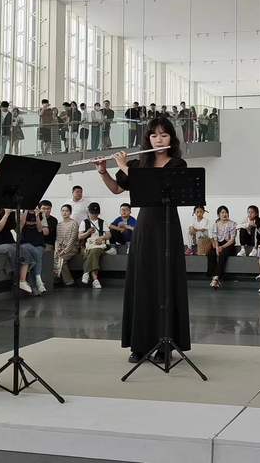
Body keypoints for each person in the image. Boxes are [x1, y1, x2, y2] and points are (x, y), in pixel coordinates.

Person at [94, 116, 191, 363]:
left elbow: (153, 186)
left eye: (164, 135)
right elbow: (117, 189)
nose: (159, 140)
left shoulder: (177, 164)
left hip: (166, 226)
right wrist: (104, 171)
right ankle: (139, 344)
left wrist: (125, 166)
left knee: (164, 283)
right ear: (148, 138)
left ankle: (165, 345)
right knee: (142, 282)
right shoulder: (139, 164)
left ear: (171, 138)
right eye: (154, 135)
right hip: (145, 227)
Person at [0, 208, 33, 294]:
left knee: (24, 251)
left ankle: (22, 280)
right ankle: (15, 274)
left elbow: (18, 230)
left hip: (9, 243)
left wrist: (22, 215)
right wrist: (6, 214)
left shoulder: (12, 218)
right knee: (12, 250)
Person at [79, 202, 109, 289]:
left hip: (99, 245)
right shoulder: (84, 222)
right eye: (92, 213)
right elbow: (80, 236)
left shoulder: (102, 222)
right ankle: (95, 280)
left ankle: (86, 272)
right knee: (92, 253)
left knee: (94, 252)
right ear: (89, 212)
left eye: (96, 213)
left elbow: (109, 234)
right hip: (86, 245)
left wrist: (102, 237)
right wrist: (88, 232)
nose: (94, 215)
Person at [207, 206, 237, 288]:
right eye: (222, 213)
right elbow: (215, 239)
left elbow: (232, 240)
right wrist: (217, 248)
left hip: (228, 245)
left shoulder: (232, 224)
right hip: (219, 245)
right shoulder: (215, 225)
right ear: (218, 215)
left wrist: (222, 247)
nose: (224, 214)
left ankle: (216, 278)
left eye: (226, 212)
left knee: (223, 254)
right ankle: (213, 276)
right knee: (210, 253)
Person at [19, 208, 47, 295]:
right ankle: (38, 280)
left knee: (36, 256)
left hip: (38, 243)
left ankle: (34, 287)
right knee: (36, 254)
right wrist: (26, 212)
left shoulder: (42, 214)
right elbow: (20, 227)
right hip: (25, 242)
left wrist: (37, 215)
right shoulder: (21, 212)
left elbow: (40, 229)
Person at [54, 204, 78, 287]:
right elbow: (57, 239)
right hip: (61, 247)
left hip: (72, 248)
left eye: (67, 211)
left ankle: (69, 280)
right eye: (63, 211)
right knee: (54, 257)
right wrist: (57, 248)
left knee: (61, 259)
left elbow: (72, 240)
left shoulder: (74, 224)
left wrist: (64, 251)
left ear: (70, 213)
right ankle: (56, 279)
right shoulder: (59, 224)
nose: (64, 213)